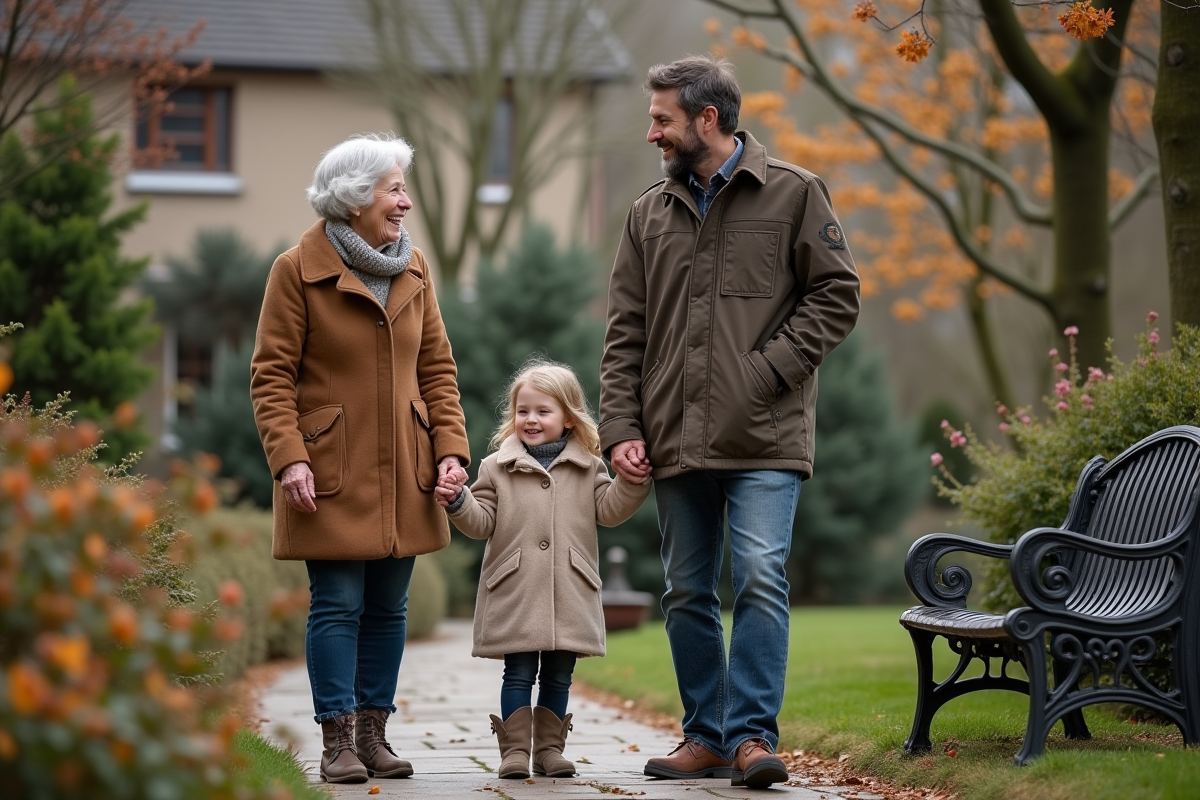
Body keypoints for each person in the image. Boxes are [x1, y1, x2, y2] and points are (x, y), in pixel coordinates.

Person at [600, 56, 861, 790]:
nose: (652, 132)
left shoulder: (795, 193)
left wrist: (765, 372)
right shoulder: (647, 214)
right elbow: (624, 331)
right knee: (685, 591)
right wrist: (621, 427)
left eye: (662, 119)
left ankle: (751, 737)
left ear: (706, 119)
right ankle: (706, 737)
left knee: (760, 577)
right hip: (673, 435)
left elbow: (837, 296)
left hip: (766, 435)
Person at [251, 133, 470, 784]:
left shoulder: (415, 267)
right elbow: (271, 376)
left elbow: (437, 369)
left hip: (405, 463)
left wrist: (451, 450)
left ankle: (374, 738)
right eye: (394, 190)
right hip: (329, 468)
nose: (406, 202)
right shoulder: (296, 270)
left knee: (388, 608)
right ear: (354, 198)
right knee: (338, 602)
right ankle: (337, 742)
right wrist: (290, 458)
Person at [435, 359, 650, 780]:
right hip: (517, 588)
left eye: (543, 411)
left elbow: (610, 511)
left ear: (569, 418)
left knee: (559, 674)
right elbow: (481, 523)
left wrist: (631, 482)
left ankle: (550, 750)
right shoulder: (495, 467)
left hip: (569, 587)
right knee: (517, 671)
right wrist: (459, 501)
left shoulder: (590, 467)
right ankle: (515, 751)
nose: (530, 419)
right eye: (523, 411)